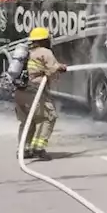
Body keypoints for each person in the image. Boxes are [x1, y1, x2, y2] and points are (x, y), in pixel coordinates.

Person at [11, 27, 67, 160]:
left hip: (20, 92)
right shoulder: (45, 52)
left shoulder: (27, 53)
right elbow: (52, 71)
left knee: (27, 121)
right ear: (44, 40)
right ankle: (38, 148)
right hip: (34, 92)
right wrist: (61, 68)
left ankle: (24, 149)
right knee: (49, 117)